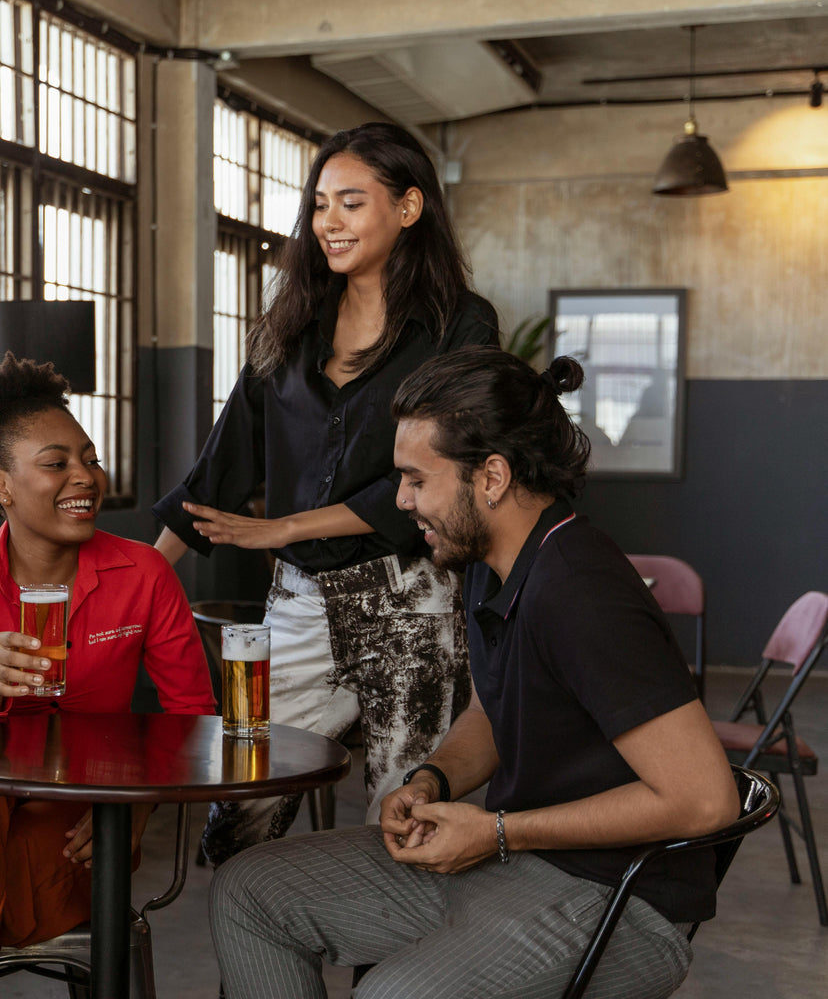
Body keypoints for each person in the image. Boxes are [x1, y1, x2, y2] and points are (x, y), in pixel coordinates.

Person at [210, 348, 739, 999]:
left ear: (492, 476)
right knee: (250, 890)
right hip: (521, 858)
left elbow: (704, 800)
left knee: (391, 998)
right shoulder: (491, 563)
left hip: (621, 900)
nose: (401, 500)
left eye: (416, 479)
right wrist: (432, 779)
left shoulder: (581, 593)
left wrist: (496, 831)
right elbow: (494, 706)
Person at [153, 121, 500, 862]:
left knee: (404, 827)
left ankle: (385, 948)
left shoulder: (460, 324)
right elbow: (220, 468)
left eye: (351, 202)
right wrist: (141, 578)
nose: (328, 223)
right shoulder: (289, 326)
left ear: (408, 207)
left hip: (412, 601)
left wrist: (287, 528)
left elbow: (439, 473)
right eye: (318, 205)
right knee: (240, 814)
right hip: (298, 605)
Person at [0, 354, 215, 999]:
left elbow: (193, 718)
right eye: (56, 464)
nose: (85, 477)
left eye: (90, 459)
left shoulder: (144, 574)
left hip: (81, 831)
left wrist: (135, 811)